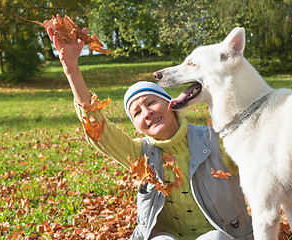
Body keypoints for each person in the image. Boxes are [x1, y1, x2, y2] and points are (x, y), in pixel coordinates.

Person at [46, 16, 253, 240]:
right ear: (136, 126)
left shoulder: (214, 140)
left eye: (151, 102)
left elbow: (260, 165)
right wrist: (71, 69)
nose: (147, 112)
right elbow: (99, 131)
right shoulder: (140, 155)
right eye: (137, 112)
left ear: (171, 103)